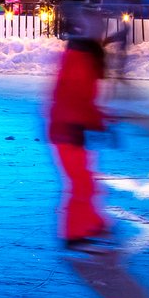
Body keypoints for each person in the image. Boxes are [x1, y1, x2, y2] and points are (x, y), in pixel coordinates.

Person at [48, 35, 111, 246]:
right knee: (81, 184)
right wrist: (97, 123)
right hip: (67, 133)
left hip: (70, 131)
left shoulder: (79, 65)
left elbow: (84, 103)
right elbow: (77, 103)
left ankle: (93, 221)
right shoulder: (81, 69)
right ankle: (72, 233)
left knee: (85, 180)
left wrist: (100, 120)